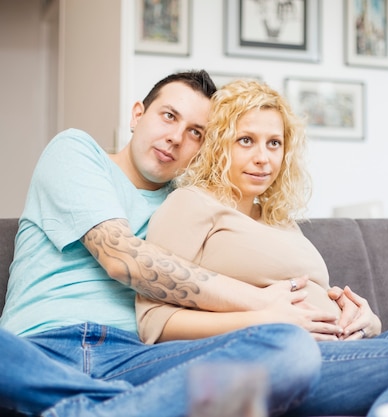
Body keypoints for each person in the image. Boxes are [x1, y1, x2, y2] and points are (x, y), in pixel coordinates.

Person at [136, 79, 388, 417]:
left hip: (339, 346)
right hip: (282, 356)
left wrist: (364, 321)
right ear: (218, 145)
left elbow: (315, 293)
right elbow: (153, 321)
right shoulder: (191, 204)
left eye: (274, 143)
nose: (263, 157)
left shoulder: (279, 218)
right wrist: (265, 319)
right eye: (245, 140)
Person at [0, 70, 323, 417]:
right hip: (38, 348)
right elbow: (121, 257)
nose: (175, 138)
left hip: (138, 359)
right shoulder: (76, 151)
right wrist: (261, 304)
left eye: (195, 132)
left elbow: (258, 270)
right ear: (138, 115)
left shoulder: (191, 205)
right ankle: (129, 405)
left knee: (289, 353)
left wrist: (342, 304)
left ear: (205, 147)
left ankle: (104, 408)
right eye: (169, 116)